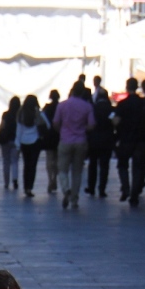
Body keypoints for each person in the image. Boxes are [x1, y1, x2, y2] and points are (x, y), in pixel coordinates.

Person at [52, 81, 95, 209]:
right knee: (77, 171)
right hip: (80, 140)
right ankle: (74, 199)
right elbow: (92, 125)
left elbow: (55, 123)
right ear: (82, 92)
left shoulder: (62, 105)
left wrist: (63, 130)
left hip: (65, 140)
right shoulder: (87, 106)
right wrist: (82, 129)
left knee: (62, 169)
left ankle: (66, 190)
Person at [113, 77, 145, 205]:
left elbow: (116, 121)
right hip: (140, 139)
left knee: (122, 165)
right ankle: (134, 193)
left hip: (125, 139)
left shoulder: (122, 104)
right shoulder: (143, 104)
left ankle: (126, 187)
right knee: (137, 167)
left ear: (127, 87)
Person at [14, 94, 49, 197]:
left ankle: (25, 187)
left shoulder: (21, 113)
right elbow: (47, 125)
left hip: (24, 142)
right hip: (35, 142)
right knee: (33, 166)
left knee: (26, 165)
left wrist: (17, 144)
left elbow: (18, 130)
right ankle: (29, 188)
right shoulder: (37, 113)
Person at [86, 90, 116, 197]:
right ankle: (102, 189)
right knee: (104, 166)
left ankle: (91, 187)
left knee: (92, 164)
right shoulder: (111, 109)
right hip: (107, 140)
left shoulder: (92, 109)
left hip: (93, 140)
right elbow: (115, 123)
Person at [0, 96, 21, 189]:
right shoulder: (20, 115)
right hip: (15, 141)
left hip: (5, 141)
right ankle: (15, 180)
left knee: (6, 161)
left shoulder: (5, 114)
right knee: (15, 161)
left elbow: (2, 126)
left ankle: (6, 183)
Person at [41, 89, 61, 193]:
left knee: (49, 158)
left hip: (48, 135)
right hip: (59, 134)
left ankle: (50, 180)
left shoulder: (47, 108)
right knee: (57, 159)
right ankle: (55, 179)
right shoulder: (61, 107)